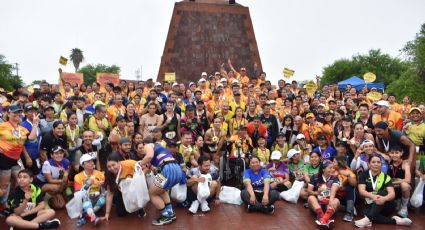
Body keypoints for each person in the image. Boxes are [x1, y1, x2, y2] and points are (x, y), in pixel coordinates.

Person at [355, 154, 412, 227]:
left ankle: (368, 219)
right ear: (369, 164)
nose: (376, 164)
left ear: (381, 165)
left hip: (386, 205)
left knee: (383, 192)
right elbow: (361, 191)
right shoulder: (363, 175)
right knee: (368, 214)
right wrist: (372, 196)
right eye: (373, 162)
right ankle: (396, 221)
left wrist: (384, 199)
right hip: (370, 204)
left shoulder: (386, 177)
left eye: (378, 162)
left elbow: (392, 194)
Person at [138, 137, 184, 225]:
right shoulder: (159, 148)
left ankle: (165, 216)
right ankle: (170, 213)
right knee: (162, 190)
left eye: (141, 148)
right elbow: (155, 169)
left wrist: (139, 164)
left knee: (152, 193)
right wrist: (148, 166)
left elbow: (149, 156)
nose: (141, 150)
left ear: (144, 144)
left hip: (168, 169)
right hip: (175, 168)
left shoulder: (148, 145)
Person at [0, 105, 38, 202]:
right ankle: (3, 205)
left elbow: (31, 138)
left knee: (22, 182)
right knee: (4, 186)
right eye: (14, 112)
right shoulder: (2, 126)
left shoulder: (22, 129)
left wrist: (35, 124)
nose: (17, 114)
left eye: (19, 112)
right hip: (4, 160)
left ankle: (13, 201)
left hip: (16, 160)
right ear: (8, 114)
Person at [103, 154, 145, 221]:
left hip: (136, 187)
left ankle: (140, 207)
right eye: (109, 167)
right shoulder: (108, 174)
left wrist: (137, 179)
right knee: (121, 213)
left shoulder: (130, 164)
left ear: (119, 162)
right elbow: (109, 194)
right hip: (121, 191)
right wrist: (107, 213)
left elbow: (144, 169)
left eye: (113, 165)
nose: (112, 168)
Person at [74, 154, 106, 227]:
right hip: (85, 201)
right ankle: (94, 218)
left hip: (97, 200)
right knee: (85, 199)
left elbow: (105, 190)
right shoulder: (78, 176)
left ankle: (85, 214)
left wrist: (102, 185)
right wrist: (87, 185)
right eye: (88, 162)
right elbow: (78, 194)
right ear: (82, 165)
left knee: (104, 197)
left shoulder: (100, 174)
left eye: (92, 161)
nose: (91, 163)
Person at [307, 160, 340, 228]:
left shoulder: (335, 178)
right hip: (317, 205)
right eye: (330, 168)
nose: (332, 170)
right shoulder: (315, 176)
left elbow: (334, 189)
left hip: (329, 205)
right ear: (323, 169)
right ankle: (325, 219)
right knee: (311, 198)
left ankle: (323, 220)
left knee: (336, 200)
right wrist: (317, 192)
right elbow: (309, 191)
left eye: (333, 168)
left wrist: (331, 201)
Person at [387, 145, 411, 218]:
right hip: (391, 188)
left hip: (400, 188)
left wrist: (393, 182)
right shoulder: (388, 162)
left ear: (401, 153)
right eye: (392, 153)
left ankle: (404, 207)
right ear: (389, 153)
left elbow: (408, 180)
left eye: (397, 153)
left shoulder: (404, 164)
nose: (394, 155)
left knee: (405, 185)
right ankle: (396, 202)